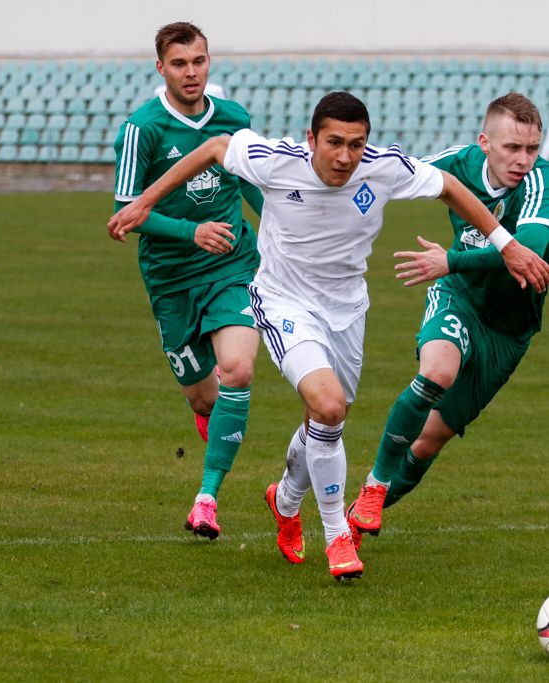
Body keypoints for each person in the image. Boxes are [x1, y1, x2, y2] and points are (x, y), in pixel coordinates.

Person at [108, 91, 549, 580]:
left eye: (356, 144)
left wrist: (505, 245)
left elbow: (447, 185)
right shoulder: (274, 160)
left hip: (347, 311)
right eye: (334, 142)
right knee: (329, 406)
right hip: (283, 304)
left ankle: (286, 498)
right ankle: (338, 534)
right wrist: (144, 202)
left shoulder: (382, 168)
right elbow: (215, 147)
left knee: (324, 421)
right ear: (312, 139)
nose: (344, 156)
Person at [347, 92, 549, 546]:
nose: (523, 159)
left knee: (425, 444)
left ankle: (347, 521)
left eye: (532, 148)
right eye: (512, 148)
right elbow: (391, 172)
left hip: (509, 332)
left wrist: (452, 260)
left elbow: (527, 253)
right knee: (437, 371)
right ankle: (374, 488)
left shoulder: (541, 182)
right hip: (458, 297)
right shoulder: (455, 165)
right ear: (484, 142)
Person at [110, 21, 264, 541]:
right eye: (179, 64)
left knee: (238, 369)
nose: (191, 72)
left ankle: (206, 499)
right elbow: (125, 214)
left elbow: (253, 185)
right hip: (171, 278)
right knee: (204, 398)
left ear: (209, 60)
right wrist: (189, 230)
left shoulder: (234, 119)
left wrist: (282, 239)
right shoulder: (142, 129)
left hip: (232, 266)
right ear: (161, 68)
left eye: (198, 61)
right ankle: (209, 415)